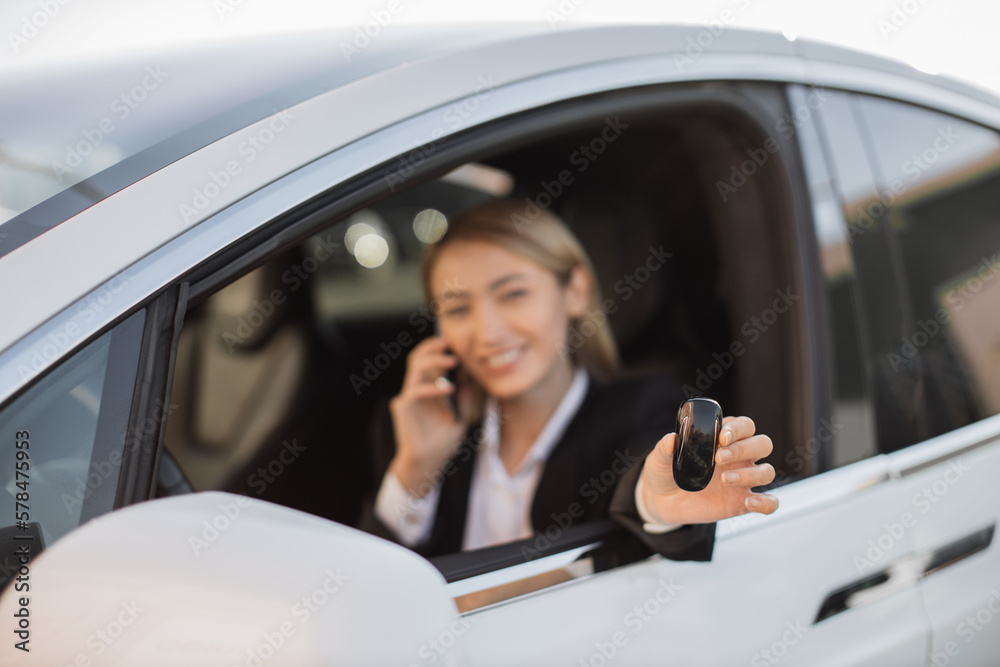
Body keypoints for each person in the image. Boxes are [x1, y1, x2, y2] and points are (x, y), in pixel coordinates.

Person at [356, 199, 778, 562]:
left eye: (513, 294)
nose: (487, 333)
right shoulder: (412, 431)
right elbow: (367, 595)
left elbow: (641, 488)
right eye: (457, 308)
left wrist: (658, 501)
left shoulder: (640, 410)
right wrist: (415, 470)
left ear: (576, 290)